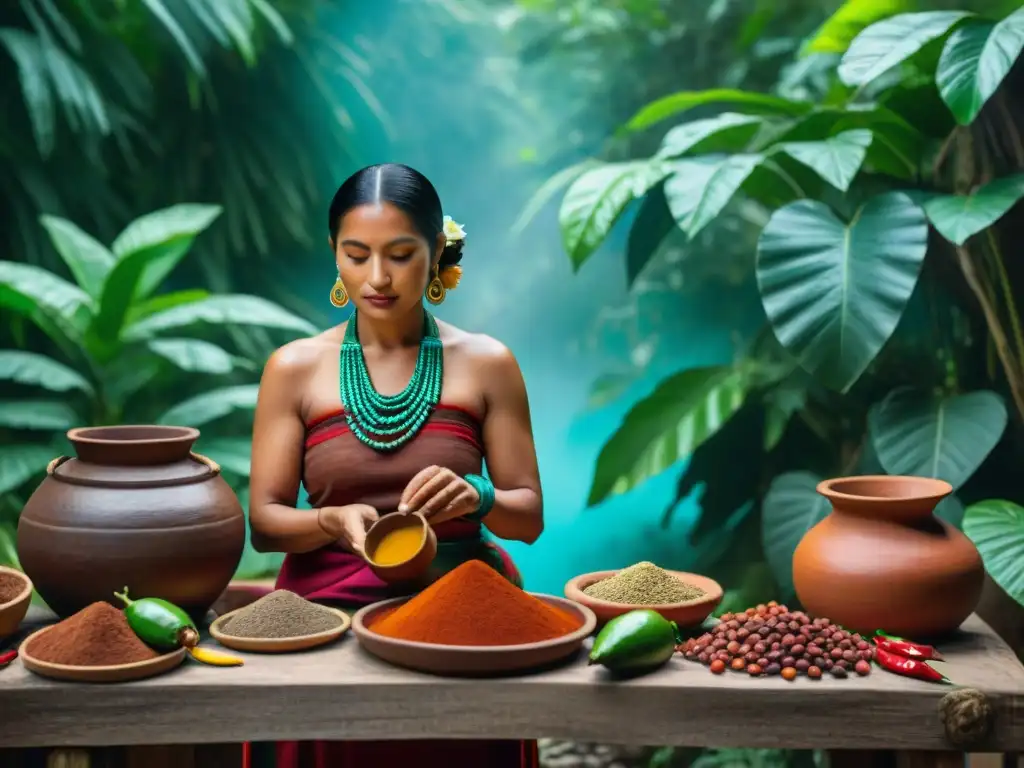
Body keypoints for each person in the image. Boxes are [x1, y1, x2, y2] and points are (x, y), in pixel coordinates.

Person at [247, 163, 544, 768]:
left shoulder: (487, 363)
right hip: (325, 611)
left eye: (401, 254)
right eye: (356, 256)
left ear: (437, 251)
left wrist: (478, 497)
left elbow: (529, 518)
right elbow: (266, 523)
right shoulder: (294, 367)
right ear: (333, 253)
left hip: (461, 606)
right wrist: (331, 522)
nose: (377, 278)